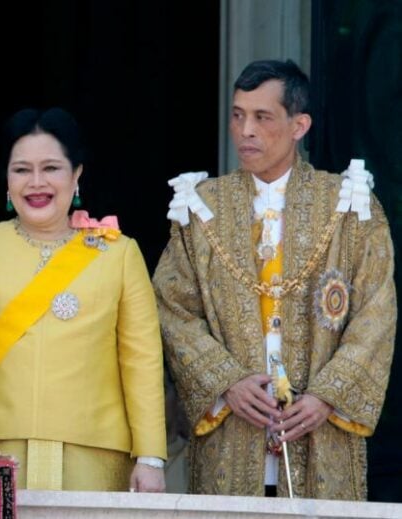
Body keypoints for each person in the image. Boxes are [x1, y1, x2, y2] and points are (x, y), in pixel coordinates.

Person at [153, 60, 396, 499]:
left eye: (262, 117)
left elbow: (375, 313)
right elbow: (173, 306)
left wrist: (326, 395)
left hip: (321, 436)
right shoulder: (201, 207)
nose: (245, 130)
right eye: (237, 114)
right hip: (231, 434)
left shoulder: (349, 205)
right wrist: (227, 380)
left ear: (299, 125)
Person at [0, 108, 167, 492]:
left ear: (76, 175)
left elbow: (141, 360)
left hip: (94, 451)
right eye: (22, 169)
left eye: (51, 168)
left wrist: (150, 456)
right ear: (6, 179)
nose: (36, 183)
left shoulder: (120, 253)